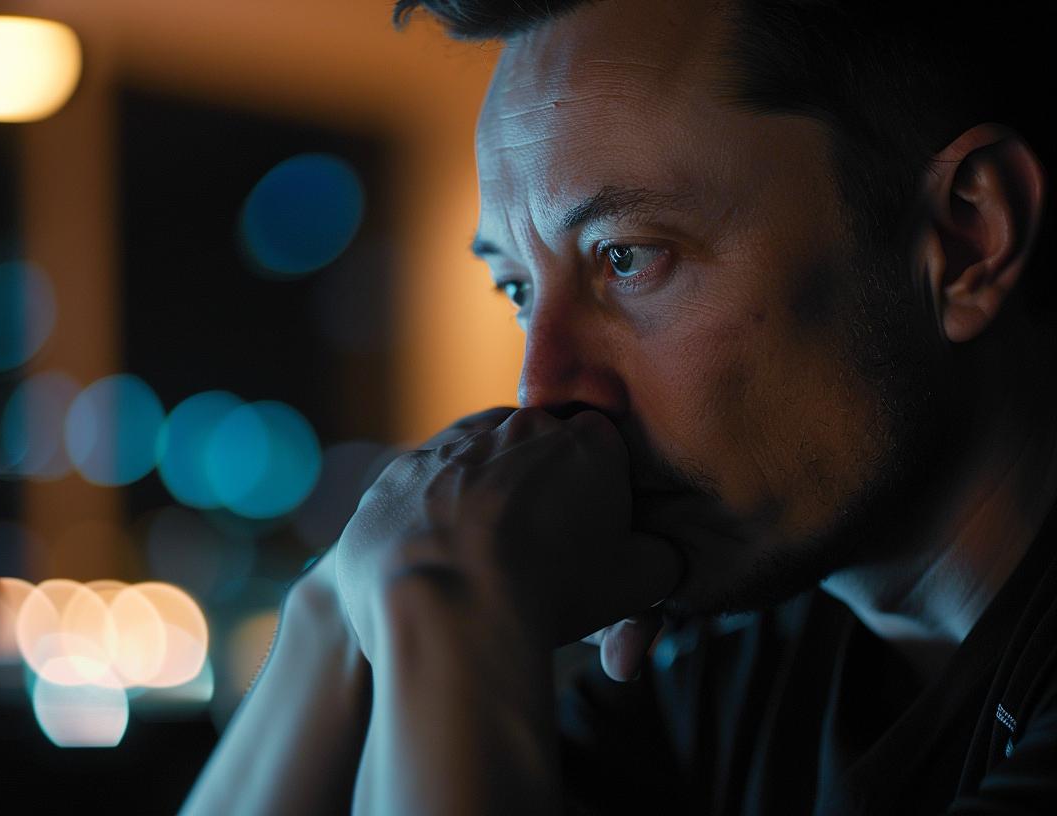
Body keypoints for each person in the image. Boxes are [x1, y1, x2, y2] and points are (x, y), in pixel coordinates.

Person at [183, 0, 1057, 812]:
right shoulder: (726, 667)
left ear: (966, 237)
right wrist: (341, 603)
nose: (545, 389)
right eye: (518, 289)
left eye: (628, 257)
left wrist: (449, 615)